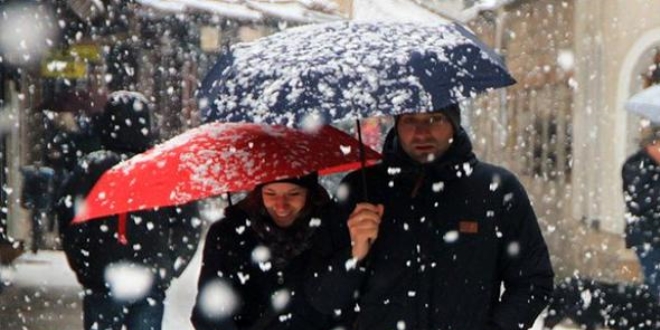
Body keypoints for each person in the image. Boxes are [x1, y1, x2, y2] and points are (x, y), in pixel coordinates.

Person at [306, 104, 555, 330]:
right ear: (397, 124)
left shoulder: (496, 189)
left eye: (435, 119)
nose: (422, 132)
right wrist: (355, 254)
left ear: (454, 124)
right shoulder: (361, 191)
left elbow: (533, 281)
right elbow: (323, 299)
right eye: (410, 120)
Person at [56, 91, 202, 330]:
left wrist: (87, 267)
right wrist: (167, 267)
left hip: (104, 279)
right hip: (147, 277)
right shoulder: (163, 170)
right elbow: (188, 226)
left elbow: (69, 222)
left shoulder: (91, 169)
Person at [191, 173, 342, 330]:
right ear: (258, 193)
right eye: (270, 193)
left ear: (310, 194)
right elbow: (209, 314)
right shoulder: (228, 234)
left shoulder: (331, 231)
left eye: (294, 194)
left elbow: (343, 304)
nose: (281, 205)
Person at [622, 125, 660, 299]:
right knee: (656, 285)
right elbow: (640, 202)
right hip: (647, 237)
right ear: (651, 145)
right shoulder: (635, 165)